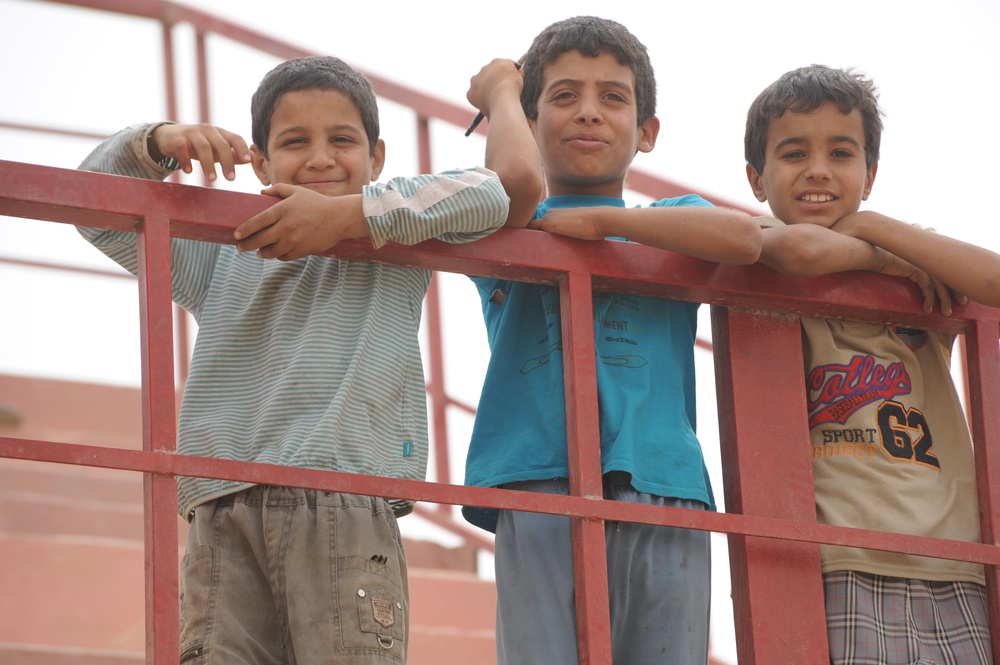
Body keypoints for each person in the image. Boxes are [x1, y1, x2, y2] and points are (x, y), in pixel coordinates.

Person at [76, 55, 509, 664]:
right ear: (260, 162)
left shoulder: (398, 234)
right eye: (294, 141)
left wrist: (350, 215)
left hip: (345, 498)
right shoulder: (225, 252)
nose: (321, 158)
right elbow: (92, 206)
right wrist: (157, 143)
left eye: (342, 140)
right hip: (223, 507)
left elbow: (490, 193)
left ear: (376, 158)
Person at [462, 16, 763, 665]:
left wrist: (599, 222)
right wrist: (498, 95)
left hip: (667, 484)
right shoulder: (506, 225)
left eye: (613, 97)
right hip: (539, 483)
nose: (589, 113)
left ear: (647, 131)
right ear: (531, 119)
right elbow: (514, 180)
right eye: (563, 96)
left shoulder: (671, 221)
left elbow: (744, 239)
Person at [743, 64, 1000, 665]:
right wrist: (887, 261)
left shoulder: (912, 249)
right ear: (756, 179)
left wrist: (879, 230)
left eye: (841, 152)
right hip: (839, 554)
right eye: (793, 153)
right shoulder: (759, 242)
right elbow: (806, 249)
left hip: (952, 554)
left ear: (871, 173)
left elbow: (993, 281)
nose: (818, 170)